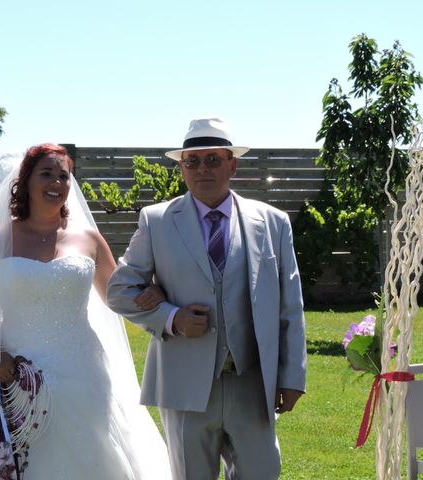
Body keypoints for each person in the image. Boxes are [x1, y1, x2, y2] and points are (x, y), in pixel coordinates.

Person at [0, 144, 172, 479]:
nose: (57, 182)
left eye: (64, 176)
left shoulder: (89, 239)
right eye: (46, 174)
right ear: (24, 182)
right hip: (14, 370)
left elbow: (119, 294)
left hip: (82, 369)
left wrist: (154, 291)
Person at [107, 118, 307, 479]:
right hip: (184, 384)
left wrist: (292, 376)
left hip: (251, 381)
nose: (203, 169)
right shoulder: (157, 221)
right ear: (182, 166)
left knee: (263, 472)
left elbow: (289, 306)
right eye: (193, 161)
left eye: (213, 159)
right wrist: (172, 317)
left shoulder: (273, 222)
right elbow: (119, 291)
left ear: (232, 164)